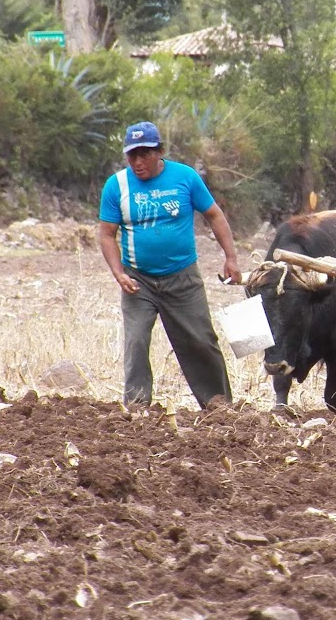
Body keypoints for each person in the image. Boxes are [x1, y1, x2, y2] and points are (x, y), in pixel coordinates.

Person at [98, 121, 242, 410]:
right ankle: (138, 407)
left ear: (160, 151)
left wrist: (231, 257)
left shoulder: (185, 177)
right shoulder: (117, 186)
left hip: (183, 277)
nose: (138, 162)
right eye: (132, 155)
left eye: (145, 154)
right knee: (136, 341)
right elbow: (106, 234)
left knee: (201, 340)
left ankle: (218, 405)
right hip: (139, 281)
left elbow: (214, 216)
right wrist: (118, 273)